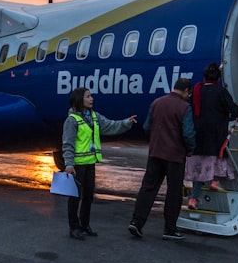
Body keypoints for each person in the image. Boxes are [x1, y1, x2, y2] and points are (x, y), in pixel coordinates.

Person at [61, 87, 136, 240]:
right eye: (88, 96)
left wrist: (126, 122)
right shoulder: (72, 120)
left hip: (90, 163)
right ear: (80, 99)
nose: (92, 99)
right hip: (77, 166)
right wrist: (69, 164)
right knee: (75, 197)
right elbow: (67, 144)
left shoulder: (94, 116)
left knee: (88, 196)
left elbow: (110, 126)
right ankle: (74, 228)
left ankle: (84, 225)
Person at [128, 77, 196, 240]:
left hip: (156, 153)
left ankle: (136, 222)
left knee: (148, 188)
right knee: (173, 192)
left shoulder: (156, 103)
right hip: (175, 156)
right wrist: (191, 148)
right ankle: (170, 228)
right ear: (186, 90)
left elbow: (146, 127)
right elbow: (188, 133)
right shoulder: (185, 107)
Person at [185, 63, 238, 208]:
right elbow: (233, 109)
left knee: (199, 167)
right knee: (216, 159)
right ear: (218, 78)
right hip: (216, 135)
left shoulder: (197, 91)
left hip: (199, 135)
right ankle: (214, 181)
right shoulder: (221, 92)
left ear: (204, 77)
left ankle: (193, 199)